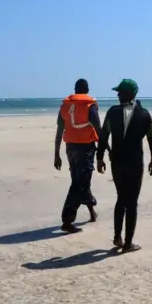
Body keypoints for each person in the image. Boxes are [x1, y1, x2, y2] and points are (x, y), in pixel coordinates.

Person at [97, 79, 152, 253]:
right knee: (131, 202)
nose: (117, 95)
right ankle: (127, 243)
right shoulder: (144, 114)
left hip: (117, 162)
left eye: (120, 92)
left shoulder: (113, 112)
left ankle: (118, 237)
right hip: (134, 163)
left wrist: (100, 157)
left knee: (121, 198)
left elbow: (103, 135)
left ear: (129, 94)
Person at [54, 78, 105, 233]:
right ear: (87, 89)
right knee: (79, 184)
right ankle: (67, 220)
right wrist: (106, 148)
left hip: (70, 148)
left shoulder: (65, 106)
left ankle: (91, 212)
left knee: (80, 180)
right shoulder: (89, 106)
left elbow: (59, 131)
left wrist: (56, 153)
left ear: (75, 89)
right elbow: (98, 127)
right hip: (86, 149)